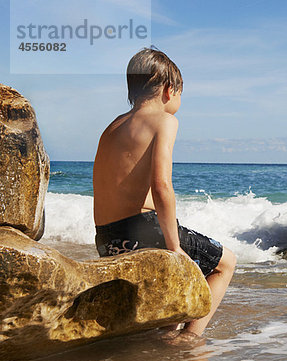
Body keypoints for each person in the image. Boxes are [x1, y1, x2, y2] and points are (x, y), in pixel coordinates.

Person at [93, 47, 236, 340]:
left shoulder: (111, 127)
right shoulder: (164, 120)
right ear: (170, 91)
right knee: (226, 263)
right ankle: (190, 339)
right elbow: (161, 186)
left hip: (106, 239)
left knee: (169, 286)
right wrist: (174, 246)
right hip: (144, 232)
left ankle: (168, 333)